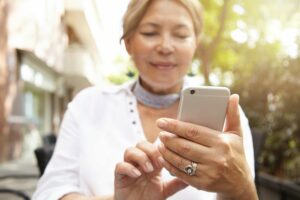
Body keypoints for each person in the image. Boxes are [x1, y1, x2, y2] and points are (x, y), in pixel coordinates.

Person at [33, 0, 258, 199]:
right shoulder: (87, 105)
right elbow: (49, 192)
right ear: (129, 42)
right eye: (150, 32)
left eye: (180, 35)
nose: (166, 47)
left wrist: (240, 187)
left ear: (195, 45)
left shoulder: (227, 116)